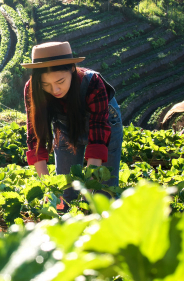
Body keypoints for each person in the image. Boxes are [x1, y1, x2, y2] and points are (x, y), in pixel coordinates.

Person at [23, 41, 123, 197]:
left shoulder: (93, 83)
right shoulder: (33, 89)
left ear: (72, 70)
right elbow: (35, 137)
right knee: (66, 192)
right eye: (46, 85)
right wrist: (48, 188)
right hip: (65, 127)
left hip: (104, 127)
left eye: (60, 82)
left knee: (104, 192)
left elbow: (98, 139)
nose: (54, 90)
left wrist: (88, 188)